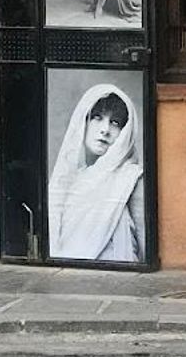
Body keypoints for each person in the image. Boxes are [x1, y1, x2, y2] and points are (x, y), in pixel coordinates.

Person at [47, 84, 145, 263]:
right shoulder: (66, 180)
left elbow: (145, 246)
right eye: (97, 118)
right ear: (83, 121)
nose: (105, 130)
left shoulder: (131, 178)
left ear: (125, 132)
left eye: (115, 123)